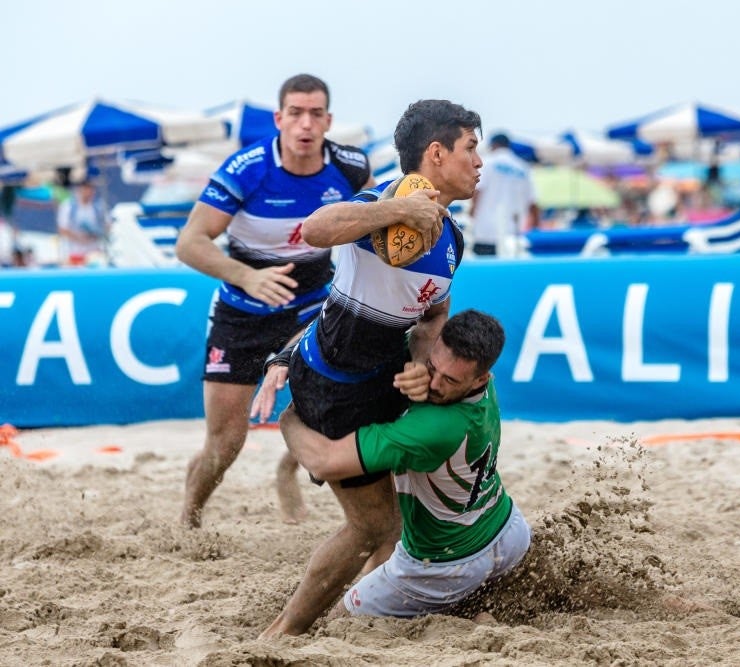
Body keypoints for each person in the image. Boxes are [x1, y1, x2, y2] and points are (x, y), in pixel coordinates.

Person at [248, 98, 484, 635]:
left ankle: (358, 617)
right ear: (436, 153)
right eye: (471, 148)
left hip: (381, 380)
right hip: (335, 385)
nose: (478, 162)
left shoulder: (453, 238)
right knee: (374, 527)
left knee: (400, 521)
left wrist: (423, 364)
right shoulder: (381, 205)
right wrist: (396, 211)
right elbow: (314, 228)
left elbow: (432, 316)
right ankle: (286, 632)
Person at [177, 73, 384, 528]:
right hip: (242, 311)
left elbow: (377, 228)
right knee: (225, 443)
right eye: (295, 113)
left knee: (333, 409)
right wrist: (247, 276)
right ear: (279, 118)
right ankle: (188, 520)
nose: (305, 124)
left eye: (315, 114)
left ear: (328, 121)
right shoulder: (246, 168)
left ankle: (288, 470)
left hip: (314, 307)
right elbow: (189, 242)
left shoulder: (350, 168)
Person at [261, 309, 529, 633]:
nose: (434, 382)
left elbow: (323, 462)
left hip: (445, 564)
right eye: (433, 367)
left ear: (481, 378)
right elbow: (337, 322)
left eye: (450, 380)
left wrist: (289, 418)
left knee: (339, 625)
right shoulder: (480, 388)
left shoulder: (435, 428)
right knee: (392, 527)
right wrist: (285, 357)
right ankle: (468, 613)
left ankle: (285, 629)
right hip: (509, 531)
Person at [468, 132, 539, 256]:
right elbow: (533, 203)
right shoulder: (523, 167)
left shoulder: (487, 163)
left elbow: (477, 190)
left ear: (494, 145)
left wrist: (472, 211)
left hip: (485, 232)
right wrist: (536, 227)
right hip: (513, 234)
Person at [56, 179, 108, 265]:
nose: (89, 192)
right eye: (86, 189)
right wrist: (79, 238)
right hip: (74, 252)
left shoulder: (99, 207)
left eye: (91, 189)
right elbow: (62, 229)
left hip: (94, 252)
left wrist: (97, 234)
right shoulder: (68, 206)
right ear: (80, 190)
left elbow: (107, 226)